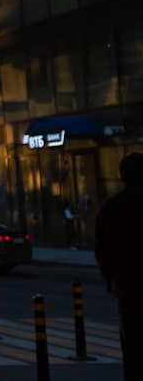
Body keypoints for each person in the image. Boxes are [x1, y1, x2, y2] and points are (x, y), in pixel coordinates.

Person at [95, 152, 143, 381]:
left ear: (121, 176)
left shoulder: (110, 208)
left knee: (133, 352)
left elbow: (102, 253)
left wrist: (111, 281)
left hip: (128, 289)